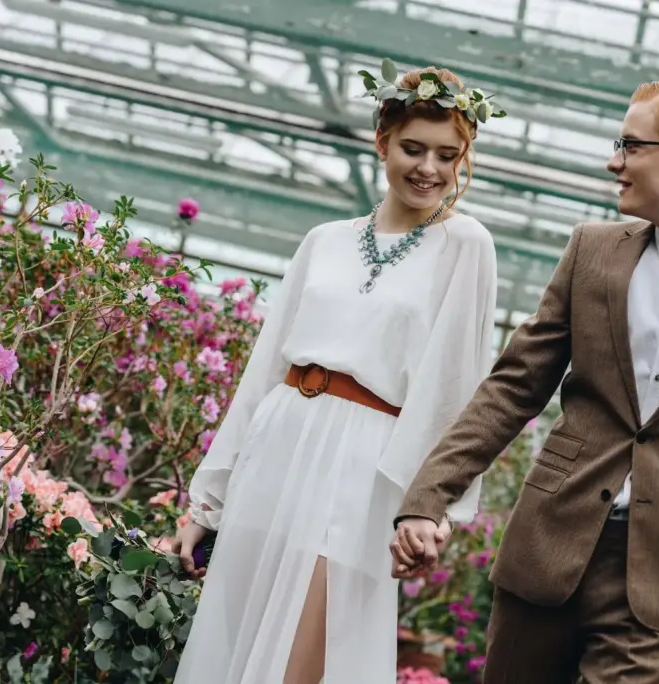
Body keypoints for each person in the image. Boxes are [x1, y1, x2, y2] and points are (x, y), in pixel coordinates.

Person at [390, 80, 659, 683]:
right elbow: (514, 386)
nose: (612, 160)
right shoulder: (592, 253)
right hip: (550, 544)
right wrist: (427, 497)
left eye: (629, 144)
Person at [172, 61, 505, 684]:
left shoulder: (468, 245)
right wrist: (207, 503)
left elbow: (455, 392)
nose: (429, 169)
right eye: (412, 148)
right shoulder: (324, 239)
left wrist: (429, 507)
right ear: (382, 142)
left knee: (301, 659)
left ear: (464, 157)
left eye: (447, 154)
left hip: (365, 466)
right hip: (279, 444)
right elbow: (264, 370)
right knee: (232, 645)